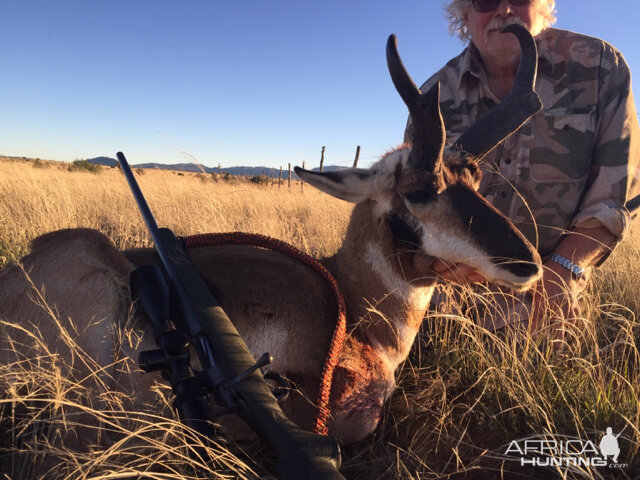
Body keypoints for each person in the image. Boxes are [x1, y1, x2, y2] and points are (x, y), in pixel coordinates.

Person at [406, 0, 640, 340]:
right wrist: (439, 258)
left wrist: (563, 271)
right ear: (465, 14)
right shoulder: (432, 97)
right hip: (453, 288)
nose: (503, 9)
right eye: (485, 0)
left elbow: (615, 196)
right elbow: (412, 205)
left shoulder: (600, 66)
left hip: (550, 277)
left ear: (543, 4)